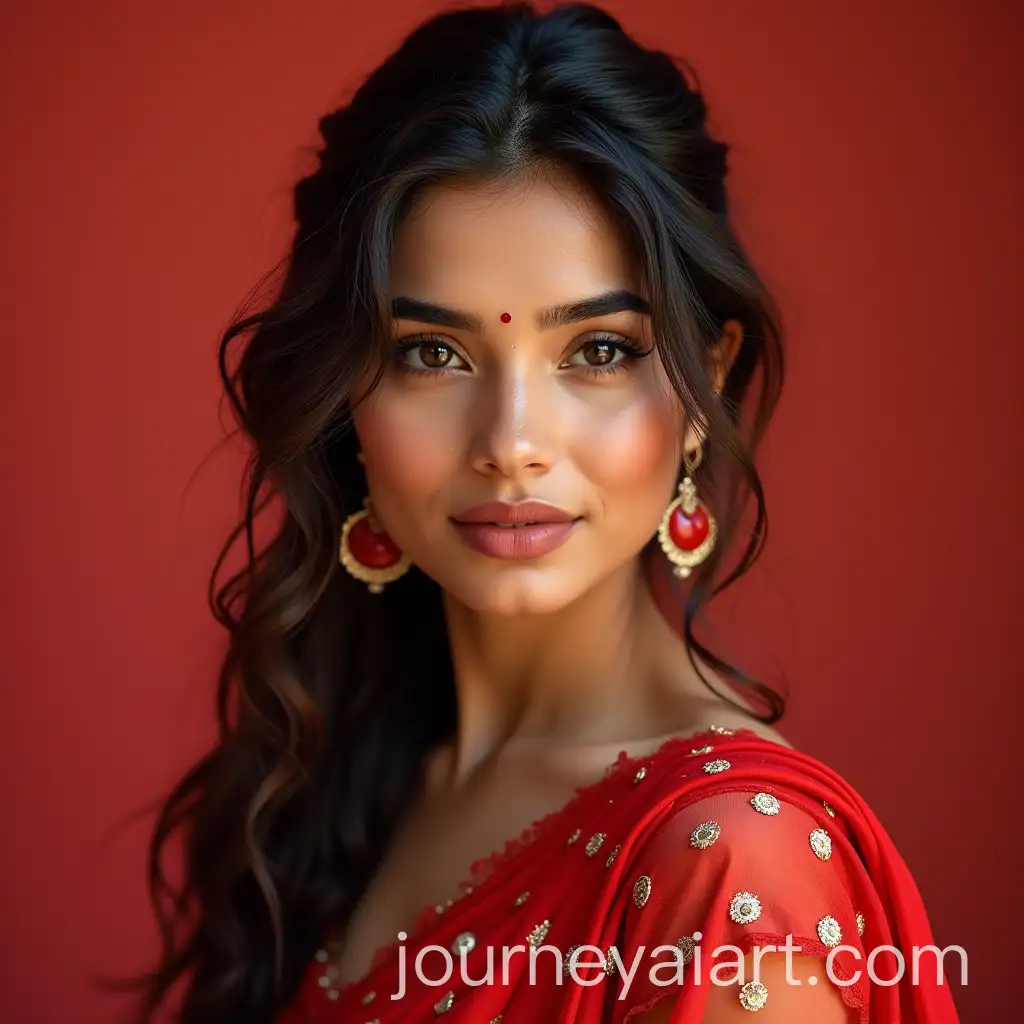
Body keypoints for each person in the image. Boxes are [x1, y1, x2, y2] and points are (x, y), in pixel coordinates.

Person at [133, 3, 960, 1021]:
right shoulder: (341, 784)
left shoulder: (729, 859)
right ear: (346, 400)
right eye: (431, 353)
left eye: (598, 350)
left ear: (706, 383)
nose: (512, 439)